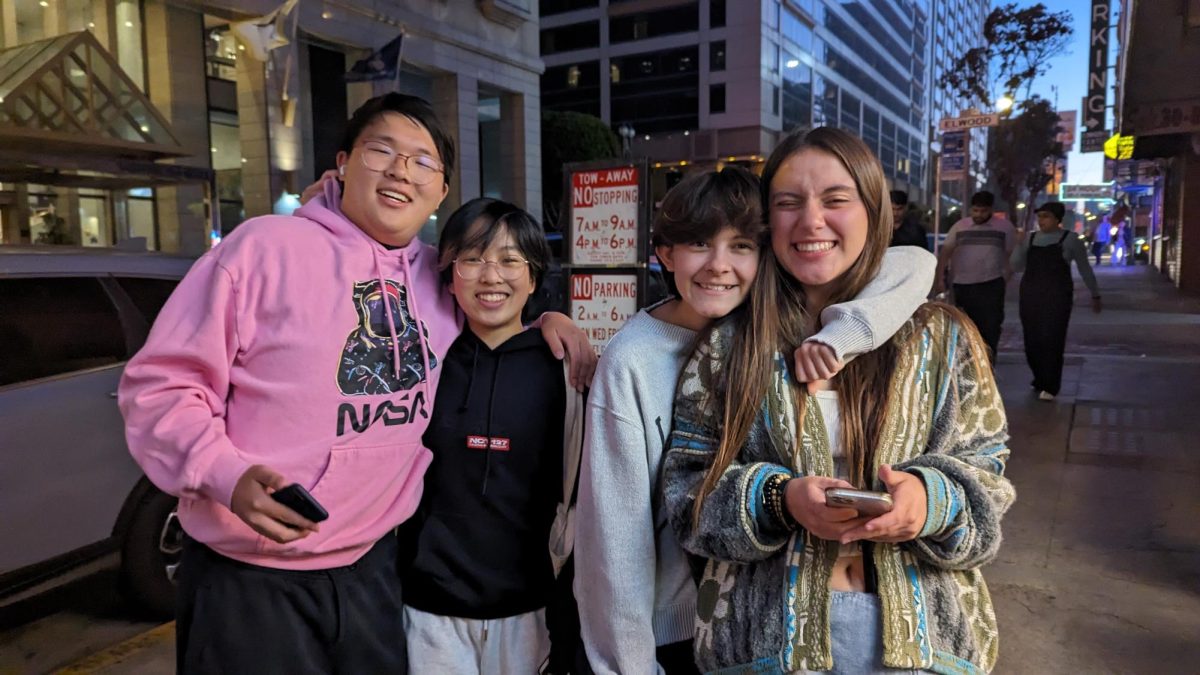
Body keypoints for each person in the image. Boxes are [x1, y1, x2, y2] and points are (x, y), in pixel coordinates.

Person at [119, 93, 594, 674]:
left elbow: (494, 299)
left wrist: (549, 318)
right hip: (250, 575)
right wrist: (226, 474)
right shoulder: (261, 249)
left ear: (441, 192)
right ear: (342, 163)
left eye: (423, 162)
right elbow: (160, 387)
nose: (400, 171)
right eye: (382, 151)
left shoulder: (437, 273)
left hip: (374, 570)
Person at [663, 127, 1015, 674]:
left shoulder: (942, 340)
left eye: (835, 200)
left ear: (873, 211)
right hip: (760, 649)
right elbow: (684, 493)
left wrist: (927, 501)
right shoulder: (729, 344)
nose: (811, 222)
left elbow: (991, 485)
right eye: (788, 203)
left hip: (924, 651)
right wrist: (780, 501)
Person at [576, 164, 936, 675]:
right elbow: (613, 536)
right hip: (666, 630)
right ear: (664, 253)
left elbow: (914, 264)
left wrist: (845, 335)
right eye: (699, 244)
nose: (718, 266)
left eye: (742, 245)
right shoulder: (633, 360)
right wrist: (627, 664)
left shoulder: (767, 332)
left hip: (746, 622)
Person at [399, 197, 581, 673]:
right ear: (449, 273)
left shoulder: (565, 373)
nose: (491, 275)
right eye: (473, 259)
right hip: (428, 607)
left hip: (528, 608)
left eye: (509, 260)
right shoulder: (423, 361)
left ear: (534, 276)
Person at [1013, 202, 1101, 401]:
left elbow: (1085, 268)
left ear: (1057, 219)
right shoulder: (1030, 239)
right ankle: (1039, 378)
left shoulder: (1070, 240)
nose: (1041, 220)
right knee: (1032, 340)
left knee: (1052, 340)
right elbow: (1016, 265)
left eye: (1046, 216)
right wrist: (1019, 245)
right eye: (1040, 216)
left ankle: (1051, 385)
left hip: (1057, 297)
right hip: (1030, 295)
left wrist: (1095, 294)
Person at [934, 190, 1017, 362]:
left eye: (983, 211)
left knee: (990, 328)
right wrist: (940, 278)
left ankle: (987, 365)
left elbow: (1011, 255)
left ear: (990, 210)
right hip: (962, 285)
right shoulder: (960, 227)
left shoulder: (1004, 228)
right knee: (963, 328)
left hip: (991, 284)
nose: (978, 215)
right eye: (975, 211)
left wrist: (1005, 277)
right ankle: (966, 365)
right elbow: (946, 252)